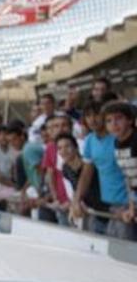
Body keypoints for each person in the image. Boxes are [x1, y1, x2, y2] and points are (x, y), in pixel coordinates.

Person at [72, 101, 128, 236]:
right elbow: (86, 174)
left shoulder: (120, 138)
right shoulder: (90, 140)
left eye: (96, 114)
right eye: (88, 115)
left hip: (127, 205)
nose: (92, 119)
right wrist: (76, 200)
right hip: (108, 206)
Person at [57, 133, 108, 233]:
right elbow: (76, 190)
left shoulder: (88, 167)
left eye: (67, 146)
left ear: (76, 148)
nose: (63, 151)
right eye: (60, 148)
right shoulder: (65, 168)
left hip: (106, 209)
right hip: (92, 213)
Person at [105, 101, 137, 240]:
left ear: (130, 120)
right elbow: (128, 179)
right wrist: (132, 207)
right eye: (109, 121)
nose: (114, 124)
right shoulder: (117, 144)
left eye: (118, 118)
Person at [41, 115, 72, 225]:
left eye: (64, 125)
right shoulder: (50, 147)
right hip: (61, 202)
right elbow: (50, 174)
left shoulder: (79, 145)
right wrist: (56, 198)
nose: (60, 129)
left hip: (76, 203)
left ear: (70, 128)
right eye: (56, 126)